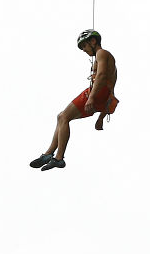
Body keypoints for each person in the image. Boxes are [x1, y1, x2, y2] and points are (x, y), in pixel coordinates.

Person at [30, 29, 119, 171]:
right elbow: (112, 89)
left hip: (98, 92)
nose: (84, 50)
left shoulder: (102, 53)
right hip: (104, 95)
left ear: (93, 41)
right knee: (61, 117)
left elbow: (101, 75)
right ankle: (48, 154)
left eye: (84, 46)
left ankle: (58, 158)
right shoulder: (107, 59)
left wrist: (91, 97)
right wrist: (101, 116)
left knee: (64, 117)